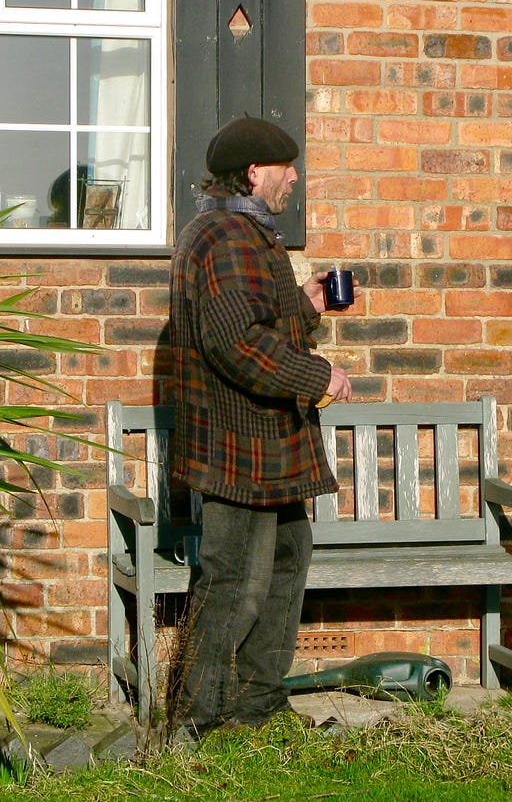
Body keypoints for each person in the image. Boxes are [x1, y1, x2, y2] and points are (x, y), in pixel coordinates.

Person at [167, 115, 352, 736]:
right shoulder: (225, 237)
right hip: (238, 447)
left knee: (282, 567)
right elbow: (236, 343)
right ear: (254, 172)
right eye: (287, 167)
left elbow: (256, 323)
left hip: (269, 446)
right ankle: (199, 724)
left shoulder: (245, 233)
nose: (294, 177)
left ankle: (256, 709)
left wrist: (304, 306)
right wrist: (316, 377)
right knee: (234, 587)